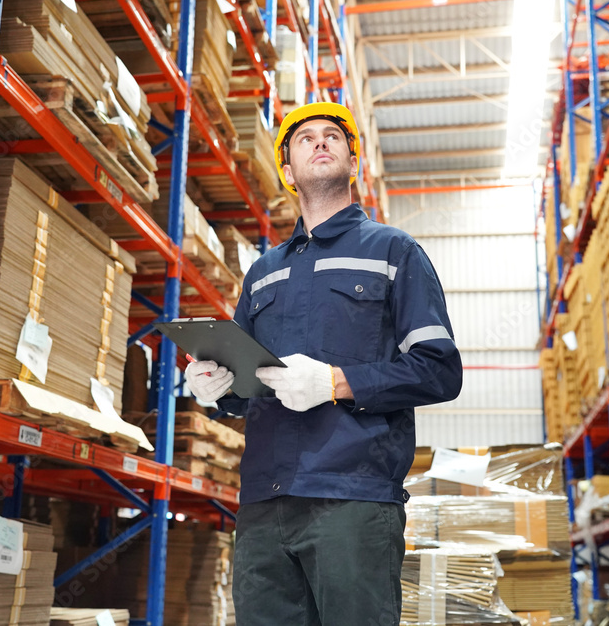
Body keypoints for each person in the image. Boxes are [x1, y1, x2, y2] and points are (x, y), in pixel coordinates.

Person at [184, 102, 462, 626]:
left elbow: (439, 370)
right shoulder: (264, 273)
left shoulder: (395, 252)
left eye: (333, 135)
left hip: (352, 499)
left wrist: (336, 382)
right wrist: (216, 387)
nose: (320, 142)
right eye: (304, 137)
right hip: (264, 504)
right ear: (286, 171)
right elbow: (251, 384)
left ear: (351, 161)